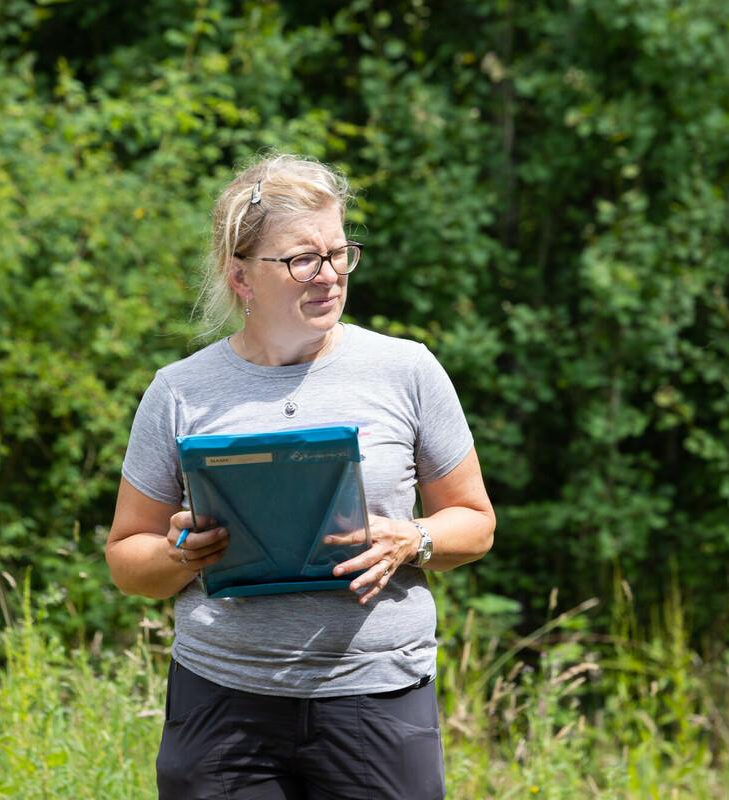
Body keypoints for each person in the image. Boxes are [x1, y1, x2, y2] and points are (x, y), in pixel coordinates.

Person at [105, 153, 496, 799]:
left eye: (340, 252)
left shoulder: (407, 370)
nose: (329, 275)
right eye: (301, 259)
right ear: (240, 276)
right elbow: (127, 559)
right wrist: (182, 553)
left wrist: (410, 540)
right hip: (221, 708)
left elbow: (476, 523)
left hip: (376, 698)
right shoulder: (180, 391)